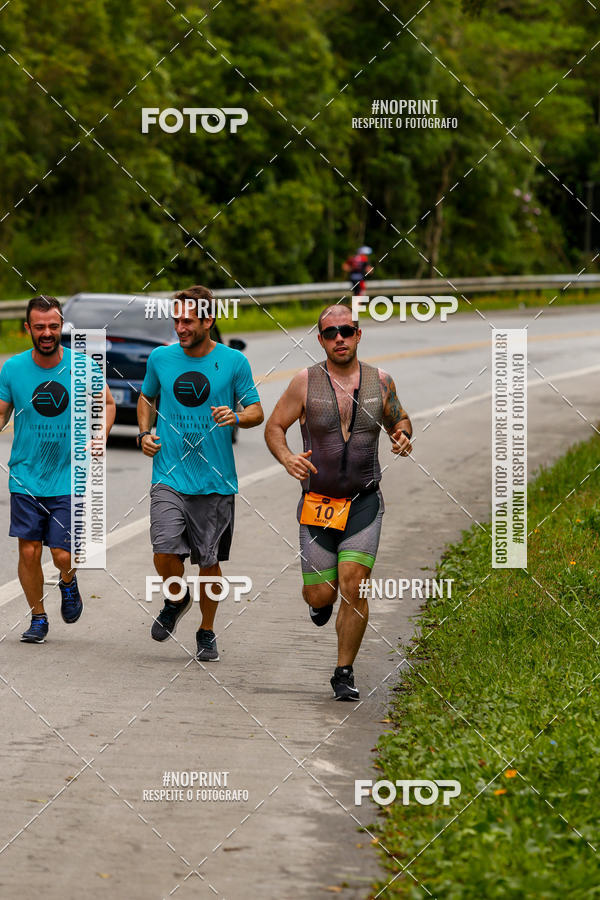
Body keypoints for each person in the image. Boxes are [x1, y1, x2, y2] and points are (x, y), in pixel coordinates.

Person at [265, 304, 412, 700]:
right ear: (321, 340)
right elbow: (274, 426)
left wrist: (401, 434)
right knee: (321, 593)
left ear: (359, 334)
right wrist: (286, 457)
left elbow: (399, 418)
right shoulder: (304, 383)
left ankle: (343, 671)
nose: (339, 338)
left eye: (346, 330)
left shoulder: (381, 382)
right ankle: (318, 602)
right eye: (331, 333)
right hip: (318, 503)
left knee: (355, 584)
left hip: (364, 501)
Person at [137, 285, 263, 661]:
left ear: (208, 320)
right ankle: (177, 597)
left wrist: (236, 416)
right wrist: (145, 433)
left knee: (209, 563)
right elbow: (147, 397)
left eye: (188, 320)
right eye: (176, 320)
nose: (180, 327)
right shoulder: (160, 358)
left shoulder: (234, 362)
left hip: (215, 481)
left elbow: (257, 411)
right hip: (169, 475)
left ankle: (206, 631)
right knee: (163, 549)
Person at [0, 295, 116, 643]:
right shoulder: (12, 368)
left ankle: (68, 581)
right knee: (29, 550)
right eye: (40, 327)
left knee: (62, 553)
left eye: (53, 326)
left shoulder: (82, 367)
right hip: (26, 474)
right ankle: (38, 617)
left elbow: (108, 404)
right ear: (28, 329)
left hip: (69, 474)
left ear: (61, 326)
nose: (47, 333)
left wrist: (100, 436)